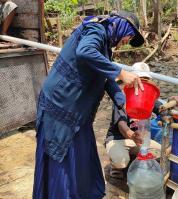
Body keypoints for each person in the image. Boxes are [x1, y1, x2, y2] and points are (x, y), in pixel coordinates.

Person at [33, 11, 145, 199]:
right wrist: (121, 72)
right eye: (130, 35)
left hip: (78, 110)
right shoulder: (97, 28)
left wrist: (123, 103)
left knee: (82, 153)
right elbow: (84, 51)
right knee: (62, 155)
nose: (128, 40)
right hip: (60, 102)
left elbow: (106, 78)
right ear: (123, 25)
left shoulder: (106, 47)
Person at [105, 63, 161, 178]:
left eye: (146, 80)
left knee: (161, 153)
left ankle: (134, 159)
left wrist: (173, 101)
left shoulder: (149, 98)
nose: (142, 84)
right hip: (118, 139)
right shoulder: (121, 96)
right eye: (140, 80)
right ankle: (116, 164)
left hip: (139, 140)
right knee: (121, 161)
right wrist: (131, 135)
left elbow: (162, 109)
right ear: (132, 80)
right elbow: (121, 125)